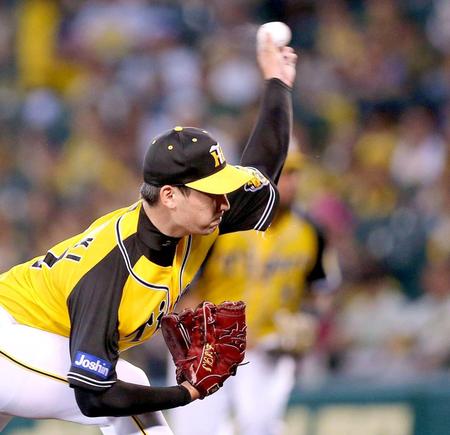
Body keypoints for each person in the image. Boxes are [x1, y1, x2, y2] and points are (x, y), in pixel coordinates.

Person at [0, 35, 297, 435]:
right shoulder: (111, 270)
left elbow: (262, 176)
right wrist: (185, 393)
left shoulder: (200, 214)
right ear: (170, 196)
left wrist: (277, 83)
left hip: (35, 339)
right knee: (131, 386)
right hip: (9, 335)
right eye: (212, 192)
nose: (225, 202)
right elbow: (94, 397)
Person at [167, 146, 337, 435]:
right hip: (211, 348)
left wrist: (309, 320)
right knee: (197, 429)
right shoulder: (220, 223)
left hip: (269, 351)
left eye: (295, 173)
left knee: (260, 427)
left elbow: (322, 292)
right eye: (284, 172)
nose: (291, 181)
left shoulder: (311, 232)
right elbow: (184, 289)